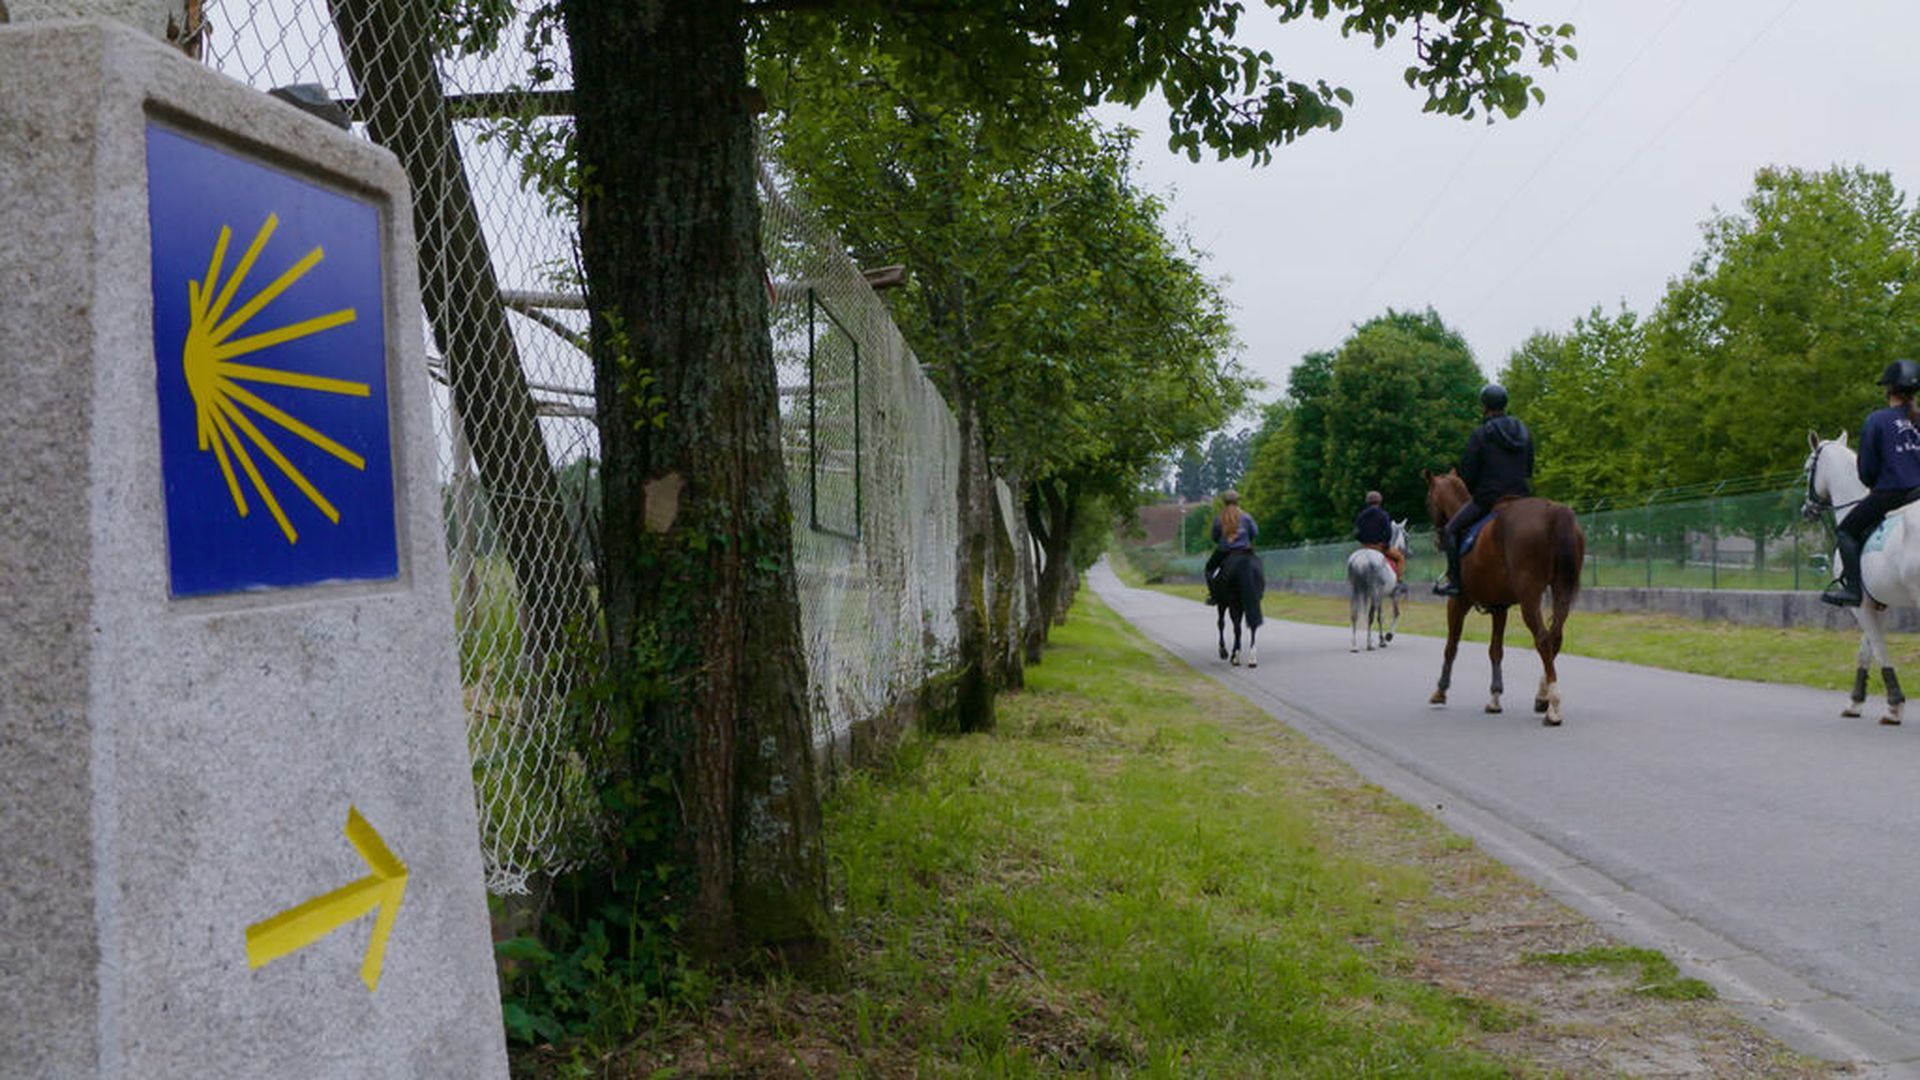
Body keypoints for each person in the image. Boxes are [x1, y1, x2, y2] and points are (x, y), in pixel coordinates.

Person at [1822, 359, 1920, 607]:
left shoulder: (1877, 420)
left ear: (1888, 389)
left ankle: (1854, 591)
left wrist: (1875, 482)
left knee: (1845, 531)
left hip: (1892, 493)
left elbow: (1866, 471)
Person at [1435, 384, 1534, 597]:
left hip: (1489, 499)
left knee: (1451, 530)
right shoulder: (1524, 432)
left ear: (1485, 406)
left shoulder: (1480, 434)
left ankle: (1455, 583)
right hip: (1521, 499)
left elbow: (1468, 475)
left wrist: (1478, 491)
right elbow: (1529, 468)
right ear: (1504, 404)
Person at [1204, 490, 1258, 604]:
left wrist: (1222, 541)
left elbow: (1215, 536)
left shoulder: (1219, 518)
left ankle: (1214, 595)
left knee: (1209, 569)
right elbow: (1254, 533)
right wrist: (1246, 541)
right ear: (1238, 501)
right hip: (1245, 550)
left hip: (1225, 552)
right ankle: (1257, 592)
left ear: (1224, 502)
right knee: (1257, 568)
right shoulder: (1247, 517)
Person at [1353, 490, 1405, 583]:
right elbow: (1388, 532)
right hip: (1379, 546)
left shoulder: (1360, 515)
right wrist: (1385, 544)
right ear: (1380, 501)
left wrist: (1364, 542)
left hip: (1365, 547)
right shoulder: (1383, 514)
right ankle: (1399, 582)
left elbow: (1356, 533)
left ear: (1367, 502)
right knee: (1400, 558)